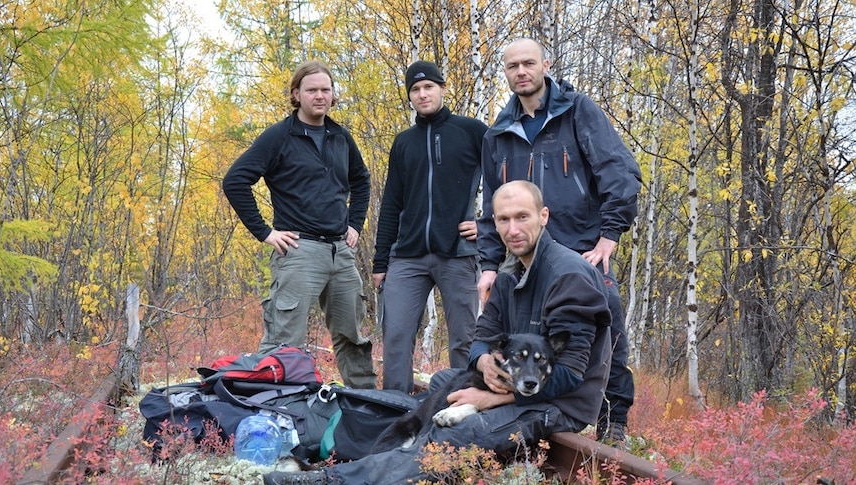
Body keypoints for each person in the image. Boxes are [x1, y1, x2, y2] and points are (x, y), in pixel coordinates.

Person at [265, 180, 612, 485]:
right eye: (503, 220)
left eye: (522, 217)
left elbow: (568, 376)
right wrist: (484, 365)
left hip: (560, 404)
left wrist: (491, 398)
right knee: (444, 382)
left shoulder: (569, 277)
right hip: (514, 384)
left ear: (544, 216)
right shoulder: (508, 274)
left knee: (455, 431)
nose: (512, 229)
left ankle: (330, 480)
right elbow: (481, 340)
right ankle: (390, 452)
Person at [477, 38, 642, 446]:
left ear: (545, 65)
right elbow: (491, 204)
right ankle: (529, 412)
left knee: (608, 333)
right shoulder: (498, 133)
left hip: (581, 248)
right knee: (528, 339)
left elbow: (619, 171)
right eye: (512, 65)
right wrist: (487, 264)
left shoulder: (578, 112)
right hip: (523, 256)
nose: (521, 71)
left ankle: (613, 421)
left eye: (528, 63)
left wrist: (609, 235)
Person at [222, 60, 377, 389]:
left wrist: (355, 224)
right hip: (299, 251)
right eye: (312, 90)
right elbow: (235, 181)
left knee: (352, 335)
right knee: (285, 341)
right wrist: (264, 232)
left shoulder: (340, 137)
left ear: (333, 95)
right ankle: (276, 411)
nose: (320, 96)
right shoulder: (278, 137)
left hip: (341, 251)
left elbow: (361, 182)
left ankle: (366, 406)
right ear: (296, 94)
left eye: (326, 89)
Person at [373, 60, 488, 393]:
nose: (422, 94)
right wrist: (381, 261)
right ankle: (394, 409)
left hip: (457, 252)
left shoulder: (471, 131)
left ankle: (462, 409)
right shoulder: (403, 143)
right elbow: (391, 203)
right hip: (407, 255)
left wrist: (488, 224)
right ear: (409, 96)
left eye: (428, 87)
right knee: (395, 334)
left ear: (442, 88)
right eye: (415, 89)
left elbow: (505, 179)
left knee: (464, 339)